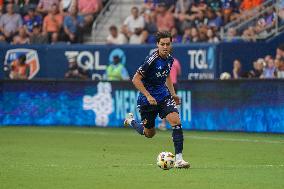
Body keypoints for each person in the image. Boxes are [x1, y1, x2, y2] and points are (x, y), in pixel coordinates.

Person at [123, 31, 190, 168]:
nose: (165, 47)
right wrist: (148, 95)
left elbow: (167, 76)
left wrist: (173, 93)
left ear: (171, 44)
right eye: (162, 44)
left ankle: (179, 160)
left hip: (163, 96)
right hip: (147, 101)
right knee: (149, 134)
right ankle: (131, 121)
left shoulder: (170, 59)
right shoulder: (150, 60)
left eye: (168, 44)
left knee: (176, 121)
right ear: (157, 45)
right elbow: (135, 79)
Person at [158, 58, 181, 131]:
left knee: (165, 104)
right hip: (174, 85)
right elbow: (179, 73)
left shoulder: (162, 62)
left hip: (166, 84)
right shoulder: (176, 61)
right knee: (174, 104)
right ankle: (176, 124)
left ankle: (163, 124)